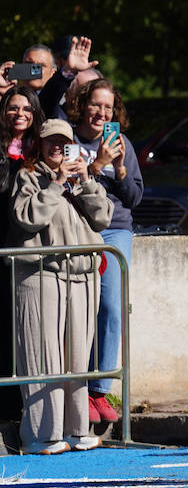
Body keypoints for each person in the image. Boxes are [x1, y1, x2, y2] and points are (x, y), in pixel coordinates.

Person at [9, 118, 113, 453]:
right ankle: (41, 434)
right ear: (38, 144)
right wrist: (55, 185)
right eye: (51, 142)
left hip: (82, 274)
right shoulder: (28, 176)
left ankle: (76, 428)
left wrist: (86, 181)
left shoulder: (80, 178)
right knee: (44, 357)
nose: (57, 148)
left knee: (77, 357)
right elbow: (26, 218)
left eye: (63, 143)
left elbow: (104, 218)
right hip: (42, 273)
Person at [69, 79, 143, 426]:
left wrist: (123, 170)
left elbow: (134, 198)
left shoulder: (120, 142)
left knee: (111, 306)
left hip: (114, 228)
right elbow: (69, 190)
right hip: (75, 226)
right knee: (78, 308)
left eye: (108, 108)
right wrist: (96, 166)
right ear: (83, 105)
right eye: (96, 105)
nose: (101, 113)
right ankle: (76, 385)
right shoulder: (68, 140)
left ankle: (99, 388)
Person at [0, 86, 45, 421]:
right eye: (13, 108)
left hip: (27, 248)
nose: (20, 114)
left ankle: (21, 408)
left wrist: (65, 75)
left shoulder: (40, 148)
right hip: (2, 244)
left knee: (24, 331)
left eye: (27, 109)